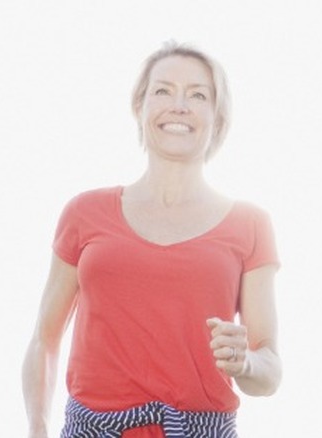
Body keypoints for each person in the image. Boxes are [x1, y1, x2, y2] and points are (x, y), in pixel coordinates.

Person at [22, 41, 281, 438]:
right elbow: (45, 336)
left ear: (218, 116)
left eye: (198, 95)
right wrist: (38, 429)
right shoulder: (83, 212)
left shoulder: (250, 223)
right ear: (139, 106)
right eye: (163, 90)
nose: (179, 105)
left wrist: (245, 362)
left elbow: (269, 368)